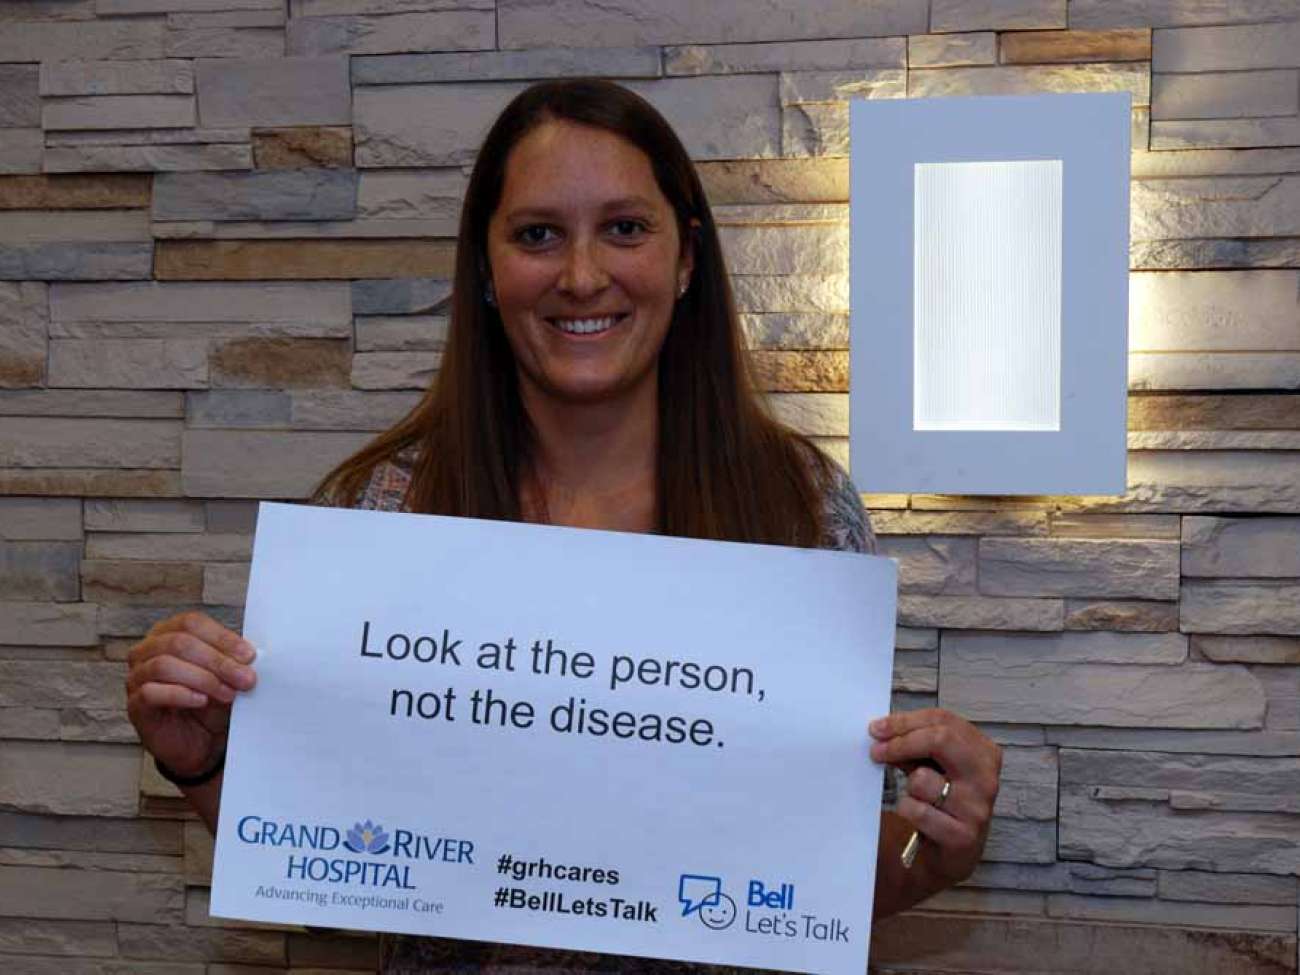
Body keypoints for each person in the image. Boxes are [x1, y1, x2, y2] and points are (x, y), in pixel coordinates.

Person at [126, 79, 1002, 973]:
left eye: (625, 227)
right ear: (487, 269)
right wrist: (201, 765)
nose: (582, 275)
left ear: (687, 258)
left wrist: (936, 851)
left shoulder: (801, 509)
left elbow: (810, 892)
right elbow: (331, 859)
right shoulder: (385, 509)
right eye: (538, 234)